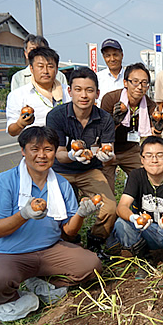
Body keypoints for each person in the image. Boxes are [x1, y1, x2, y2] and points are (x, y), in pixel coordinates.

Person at [0, 127, 102, 322]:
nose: (42, 155)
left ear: (55, 152)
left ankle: (42, 281)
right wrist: (24, 214)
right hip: (10, 253)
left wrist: (81, 214)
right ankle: (11, 299)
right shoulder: (4, 182)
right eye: (35, 149)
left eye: (48, 149)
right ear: (23, 151)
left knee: (91, 265)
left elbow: (67, 233)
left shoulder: (61, 185)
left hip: (49, 249)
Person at [46, 67, 117, 254]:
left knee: (110, 207)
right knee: (59, 209)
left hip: (89, 171)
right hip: (61, 170)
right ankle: (69, 241)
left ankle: (96, 240)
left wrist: (107, 156)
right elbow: (58, 153)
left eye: (89, 90)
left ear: (97, 93)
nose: (83, 95)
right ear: (69, 91)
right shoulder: (56, 116)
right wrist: (71, 155)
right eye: (78, 89)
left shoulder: (104, 118)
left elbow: (110, 150)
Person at [109, 136, 163, 272]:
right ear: (142, 160)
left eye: (160, 155)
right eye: (148, 156)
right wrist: (134, 218)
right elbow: (122, 207)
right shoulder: (136, 176)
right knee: (121, 224)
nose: (154, 160)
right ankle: (142, 256)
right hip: (144, 229)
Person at [100, 63, 162, 193]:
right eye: (135, 82)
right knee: (107, 193)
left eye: (144, 83)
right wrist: (115, 122)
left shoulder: (150, 105)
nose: (139, 87)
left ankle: (137, 208)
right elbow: (100, 131)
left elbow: (153, 138)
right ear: (125, 82)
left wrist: (158, 129)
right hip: (109, 148)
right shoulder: (111, 99)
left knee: (147, 179)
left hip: (131, 149)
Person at [6, 47, 70, 137]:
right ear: (31, 69)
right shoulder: (18, 95)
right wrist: (21, 124)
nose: (45, 71)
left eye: (50, 66)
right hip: (36, 148)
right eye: (40, 66)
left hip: (64, 148)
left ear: (56, 69)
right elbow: (12, 131)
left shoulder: (69, 92)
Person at [96, 39, 125, 107]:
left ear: (122, 55)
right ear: (103, 57)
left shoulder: (130, 77)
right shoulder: (97, 78)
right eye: (108, 55)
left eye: (115, 55)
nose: (112, 59)